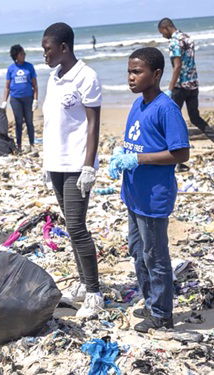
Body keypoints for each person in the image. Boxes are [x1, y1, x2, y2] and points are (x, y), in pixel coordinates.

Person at [108, 47, 189, 332]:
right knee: (137, 250)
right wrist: (122, 154)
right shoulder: (138, 104)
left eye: (137, 72)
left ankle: (162, 315)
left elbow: (181, 154)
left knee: (155, 256)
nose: (130, 77)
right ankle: (150, 300)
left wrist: (138, 158)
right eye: (129, 71)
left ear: (155, 74)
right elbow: (137, 139)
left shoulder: (166, 108)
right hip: (134, 194)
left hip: (154, 197)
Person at [41, 22, 103, 317]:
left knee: (78, 227)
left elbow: (93, 125)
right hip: (56, 163)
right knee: (70, 224)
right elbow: (53, 124)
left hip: (77, 164)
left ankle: (94, 293)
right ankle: (81, 282)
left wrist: (88, 166)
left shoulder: (86, 77)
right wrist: (45, 161)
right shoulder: (54, 77)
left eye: (47, 49)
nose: (44, 55)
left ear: (63, 47)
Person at [158, 18, 214, 148]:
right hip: (193, 84)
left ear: (166, 28)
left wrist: (170, 89)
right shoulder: (188, 38)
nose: (163, 36)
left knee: (171, 120)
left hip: (181, 87)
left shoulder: (174, 42)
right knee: (195, 118)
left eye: (162, 33)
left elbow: (177, 66)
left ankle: (174, 154)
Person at [2, 44, 38, 153]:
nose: (24, 55)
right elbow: (7, 87)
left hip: (28, 98)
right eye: (22, 53)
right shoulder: (11, 69)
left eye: (24, 53)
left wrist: (35, 99)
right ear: (16, 56)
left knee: (29, 122)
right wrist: (4, 101)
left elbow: (35, 85)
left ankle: (32, 144)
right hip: (15, 99)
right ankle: (19, 145)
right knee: (18, 122)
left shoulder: (29, 66)